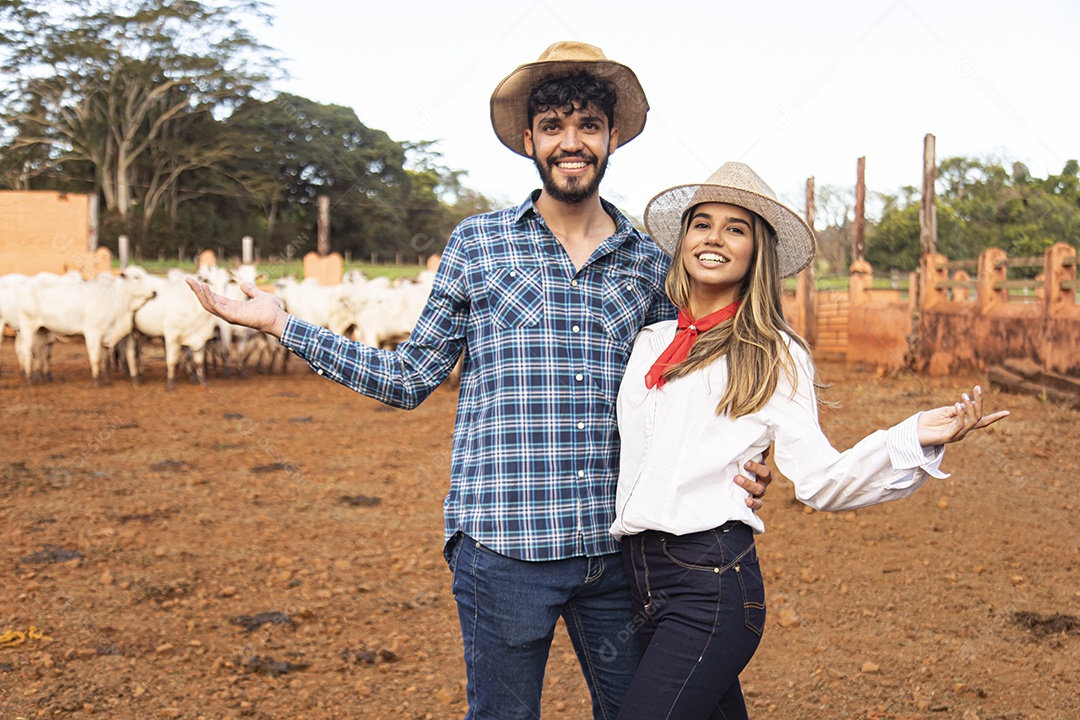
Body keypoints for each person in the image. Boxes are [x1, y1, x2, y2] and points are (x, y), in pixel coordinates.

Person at [186, 43, 772, 720]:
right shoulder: (478, 244)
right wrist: (285, 325)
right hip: (504, 550)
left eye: (587, 126)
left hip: (619, 555)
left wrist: (756, 452)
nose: (571, 143)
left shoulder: (648, 263)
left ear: (612, 137)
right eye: (553, 127)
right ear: (529, 140)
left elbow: (693, 383)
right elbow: (409, 376)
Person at [608, 162, 1010, 720]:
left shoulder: (773, 352)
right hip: (638, 578)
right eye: (702, 224)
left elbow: (822, 480)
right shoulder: (650, 341)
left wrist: (913, 435)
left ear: (757, 252)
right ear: (684, 241)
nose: (715, 238)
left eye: (736, 228)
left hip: (710, 586)